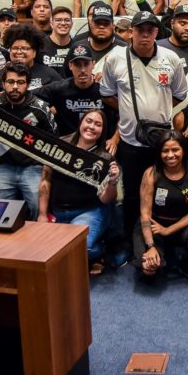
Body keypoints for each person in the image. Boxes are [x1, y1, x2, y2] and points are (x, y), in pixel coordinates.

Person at [100, 11, 188, 242]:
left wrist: (156, 109)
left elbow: (179, 95)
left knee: (164, 193)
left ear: (157, 32)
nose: (145, 35)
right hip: (130, 141)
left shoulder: (171, 59)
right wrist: (130, 110)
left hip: (163, 142)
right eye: (140, 30)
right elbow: (108, 95)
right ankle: (133, 242)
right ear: (131, 32)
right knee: (132, 195)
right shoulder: (115, 58)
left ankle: (163, 241)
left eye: (150, 30)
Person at [39, 108, 121, 274]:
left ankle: (98, 251)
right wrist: (42, 214)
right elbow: (45, 180)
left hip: (90, 211)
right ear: (80, 123)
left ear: (102, 131)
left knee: (79, 249)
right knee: (46, 250)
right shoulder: (60, 146)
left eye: (98, 124)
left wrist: (113, 182)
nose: (91, 127)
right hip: (58, 211)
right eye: (88, 121)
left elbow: (107, 200)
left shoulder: (105, 158)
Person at [133, 130, 188, 284]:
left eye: (175, 149)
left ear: (183, 150)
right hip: (154, 227)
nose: (170, 155)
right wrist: (150, 246)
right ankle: (159, 258)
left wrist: (168, 230)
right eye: (165, 151)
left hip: (182, 225)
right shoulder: (151, 174)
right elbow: (144, 214)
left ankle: (186, 265)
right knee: (149, 269)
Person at [0, 62, 57, 220]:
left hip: (33, 166)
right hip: (4, 165)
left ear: (28, 84)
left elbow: (54, 145)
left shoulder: (41, 109)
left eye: (20, 82)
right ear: (3, 84)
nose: (15, 87)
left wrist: (46, 176)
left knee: (36, 204)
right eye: (10, 82)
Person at [37, 42, 119, 150]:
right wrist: (48, 111)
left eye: (86, 64)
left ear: (93, 64)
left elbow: (125, 113)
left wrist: (115, 139)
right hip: (66, 147)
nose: (83, 70)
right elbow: (30, 100)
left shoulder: (105, 88)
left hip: (99, 148)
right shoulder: (59, 88)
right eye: (77, 65)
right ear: (70, 66)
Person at [0, 23, 61, 95]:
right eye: (15, 48)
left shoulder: (49, 74)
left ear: (34, 52)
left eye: (25, 48)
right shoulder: (1, 74)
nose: (19, 52)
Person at [40, 6, 76, 78]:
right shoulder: (40, 46)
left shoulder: (76, 47)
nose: (63, 23)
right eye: (58, 20)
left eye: (67, 20)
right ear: (51, 23)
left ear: (72, 24)